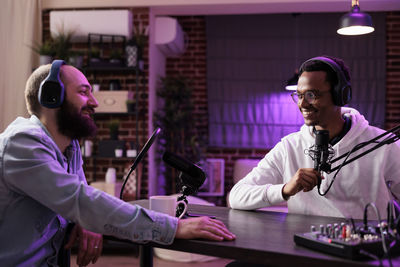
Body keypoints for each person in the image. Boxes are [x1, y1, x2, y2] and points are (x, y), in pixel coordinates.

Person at [0, 61, 235, 267]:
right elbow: (81, 200)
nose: (94, 102)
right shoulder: (23, 144)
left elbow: (83, 202)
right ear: (52, 97)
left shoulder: (69, 147)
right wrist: (176, 227)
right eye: (83, 92)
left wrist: (89, 220)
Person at [229, 55, 400, 220]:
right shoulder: (289, 146)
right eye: (299, 95)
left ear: (340, 94)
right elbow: (236, 196)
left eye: (311, 95)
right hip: (301, 246)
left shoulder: (384, 144)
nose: (302, 104)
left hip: (364, 248)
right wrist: (285, 189)